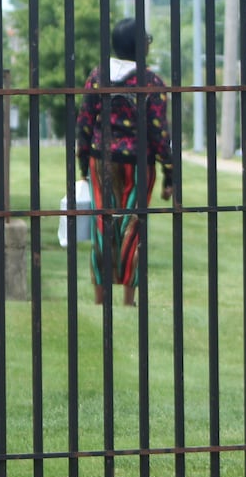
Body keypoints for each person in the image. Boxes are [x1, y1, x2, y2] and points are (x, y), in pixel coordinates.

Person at [74, 17, 175, 307]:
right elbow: (158, 131)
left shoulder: (97, 76)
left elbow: (84, 122)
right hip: (137, 163)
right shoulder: (150, 81)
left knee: (102, 225)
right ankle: (129, 300)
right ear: (138, 45)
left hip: (100, 159)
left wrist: (83, 165)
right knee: (132, 226)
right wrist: (170, 174)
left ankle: (99, 299)